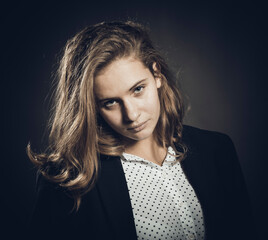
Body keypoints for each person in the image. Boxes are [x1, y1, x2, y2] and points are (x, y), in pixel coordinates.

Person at [27, 21, 256, 240]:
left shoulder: (217, 150)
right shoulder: (67, 181)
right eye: (110, 102)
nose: (132, 115)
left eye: (137, 89)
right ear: (91, 107)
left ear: (157, 75)